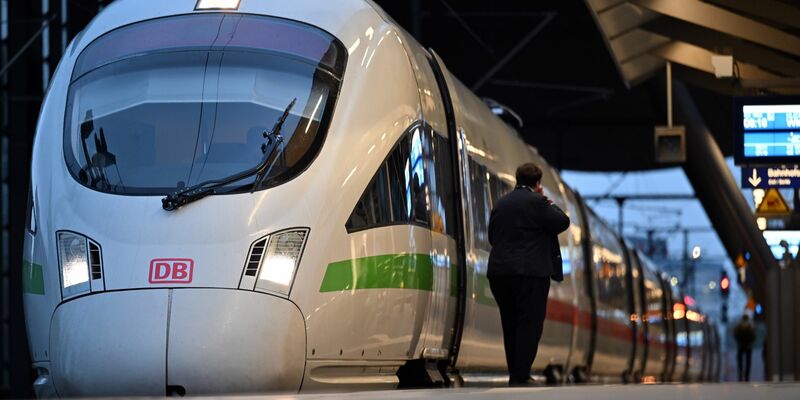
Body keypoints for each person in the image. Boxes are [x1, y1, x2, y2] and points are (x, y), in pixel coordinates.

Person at [487, 163, 570, 386]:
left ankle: (516, 372)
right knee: (529, 324)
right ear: (537, 183)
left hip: (500, 273)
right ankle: (520, 375)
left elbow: (492, 236)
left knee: (510, 323)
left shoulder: (501, 204)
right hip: (530, 274)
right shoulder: (538, 202)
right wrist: (546, 200)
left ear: (517, 179)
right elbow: (562, 221)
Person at [734, 314, 756, 382]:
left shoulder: (739, 326)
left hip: (740, 346)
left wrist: (738, 341)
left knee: (740, 361)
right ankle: (747, 376)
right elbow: (753, 336)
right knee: (748, 361)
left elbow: (735, 334)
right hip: (748, 346)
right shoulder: (750, 326)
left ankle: (740, 375)